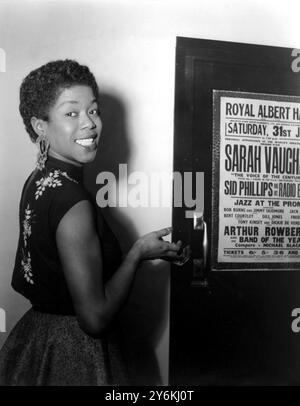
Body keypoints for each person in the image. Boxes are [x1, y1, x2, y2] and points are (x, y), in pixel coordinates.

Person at [0, 59, 188, 386]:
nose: (90, 123)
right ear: (40, 126)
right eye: (71, 113)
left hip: (36, 338)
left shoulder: (39, 178)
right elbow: (95, 318)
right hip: (73, 355)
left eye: (93, 110)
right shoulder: (74, 202)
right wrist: (136, 254)